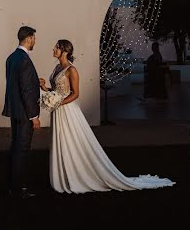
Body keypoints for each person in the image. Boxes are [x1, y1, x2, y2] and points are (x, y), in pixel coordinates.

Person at [40, 39, 175, 193]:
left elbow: (75, 94)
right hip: (58, 110)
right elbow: (57, 90)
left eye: (56, 47)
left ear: (64, 51)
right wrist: (46, 88)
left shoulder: (72, 70)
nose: (53, 49)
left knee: (70, 141)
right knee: (60, 140)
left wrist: (58, 103)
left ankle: (75, 175)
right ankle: (63, 176)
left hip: (67, 110)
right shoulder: (57, 67)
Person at [2, 25, 41, 199]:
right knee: (22, 150)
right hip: (25, 113)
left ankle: (12, 185)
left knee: (15, 147)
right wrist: (34, 116)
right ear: (29, 38)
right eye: (34, 38)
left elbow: (16, 85)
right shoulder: (25, 59)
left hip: (15, 111)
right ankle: (19, 189)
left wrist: (35, 81)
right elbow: (25, 90)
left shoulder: (12, 58)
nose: (35, 41)